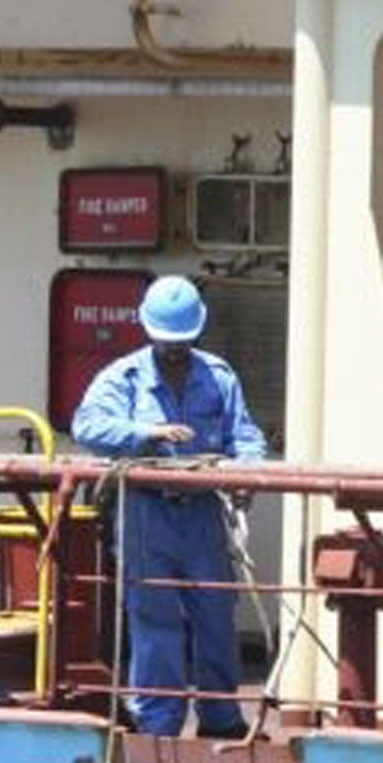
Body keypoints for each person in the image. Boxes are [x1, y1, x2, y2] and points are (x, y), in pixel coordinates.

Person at [73, 275, 267, 738]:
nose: (175, 350)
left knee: (215, 612)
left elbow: (246, 436)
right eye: (167, 342)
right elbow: (88, 426)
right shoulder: (125, 378)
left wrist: (246, 475)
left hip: (202, 513)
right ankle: (158, 722)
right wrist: (146, 436)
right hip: (147, 512)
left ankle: (221, 719)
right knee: (153, 617)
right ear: (149, 332)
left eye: (182, 342)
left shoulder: (218, 377)